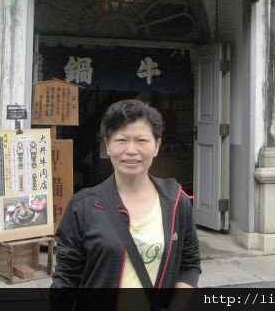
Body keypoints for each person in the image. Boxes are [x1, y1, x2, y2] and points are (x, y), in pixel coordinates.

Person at [50, 99, 201, 310]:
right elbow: (65, 281)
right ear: (107, 145)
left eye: (141, 140)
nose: (131, 150)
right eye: (121, 140)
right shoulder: (82, 207)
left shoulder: (176, 202)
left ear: (157, 146)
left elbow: (190, 263)